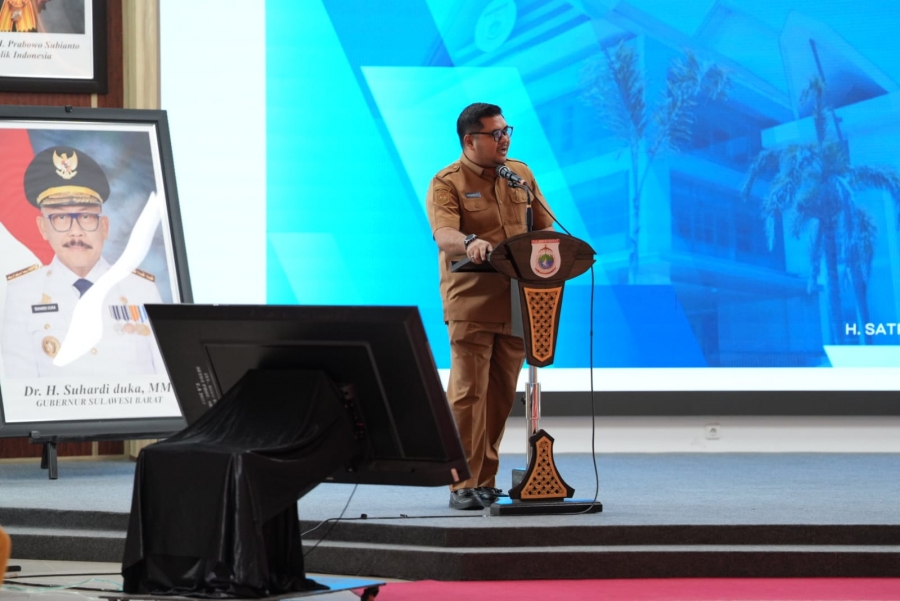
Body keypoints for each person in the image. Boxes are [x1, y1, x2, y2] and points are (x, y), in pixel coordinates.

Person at [426, 103, 555, 510]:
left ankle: (484, 480)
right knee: (468, 394)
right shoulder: (447, 182)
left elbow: (545, 227)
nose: (505, 139)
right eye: (495, 133)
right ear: (470, 140)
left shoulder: (520, 175)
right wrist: (469, 242)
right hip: (471, 302)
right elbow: (444, 233)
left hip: (518, 302)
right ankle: (460, 484)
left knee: (499, 396)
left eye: (506, 131)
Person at [1, 145, 163, 378]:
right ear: (43, 228)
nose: (75, 231)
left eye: (86, 216)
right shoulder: (22, 293)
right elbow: (18, 387)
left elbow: (168, 383)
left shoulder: (142, 290)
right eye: (61, 217)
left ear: (104, 227)